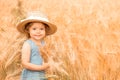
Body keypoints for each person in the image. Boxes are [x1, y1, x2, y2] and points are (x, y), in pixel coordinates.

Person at [16, 11, 57, 80]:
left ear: (45, 30)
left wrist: (50, 63)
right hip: (31, 76)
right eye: (34, 29)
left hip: (42, 75)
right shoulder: (28, 44)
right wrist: (41, 68)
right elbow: (25, 63)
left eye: (41, 29)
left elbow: (46, 57)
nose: (38, 31)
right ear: (28, 30)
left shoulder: (44, 43)